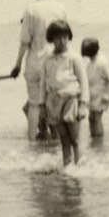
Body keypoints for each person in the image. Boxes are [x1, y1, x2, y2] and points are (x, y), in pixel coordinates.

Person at [11, 0, 68, 141]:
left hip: (35, 59)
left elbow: (25, 40)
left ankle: (31, 142)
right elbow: (65, 37)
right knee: (55, 102)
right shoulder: (60, 8)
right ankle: (58, 142)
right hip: (55, 61)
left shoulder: (31, 9)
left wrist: (17, 64)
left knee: (34, 104)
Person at [37, 20, 89, 166]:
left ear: (69, 37)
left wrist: (83, 104)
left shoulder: (73, 57)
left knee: (75, 139)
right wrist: (41, 105)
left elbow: (84, 82)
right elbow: (42, 83)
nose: (62, 41)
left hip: (71, 99)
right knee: (64, 139)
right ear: (51, 39)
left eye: (65, 37)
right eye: (58, 37)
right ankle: (67, 166)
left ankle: (79, 167)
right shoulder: (47, 59)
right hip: (53, 101)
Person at [81, 38, 109, 138]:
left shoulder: (102, 62)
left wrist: (107, 94)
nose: (88, 57)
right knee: (91, 117)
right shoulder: (92, 61)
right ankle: (93, 137)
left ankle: (98, 140)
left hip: (101, 94)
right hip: (92, 94)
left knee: (97, 117)